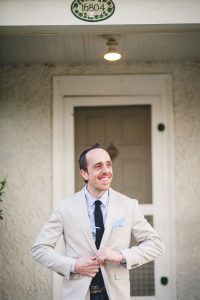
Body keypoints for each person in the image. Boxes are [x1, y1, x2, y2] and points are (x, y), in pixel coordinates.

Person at [31, 143, 165, 300]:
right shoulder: (65, 208)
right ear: (84, 173)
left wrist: (121, 255)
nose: (106, 171)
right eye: (98, 166)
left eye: (109, 165)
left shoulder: (128, 205)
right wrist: (73, 266)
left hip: (115, 294)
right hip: (78, 294)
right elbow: (39, 249)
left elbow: (156, 245)